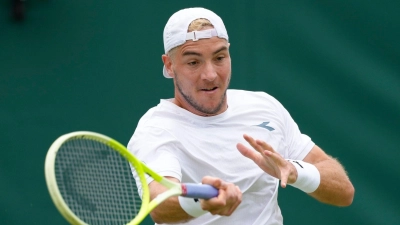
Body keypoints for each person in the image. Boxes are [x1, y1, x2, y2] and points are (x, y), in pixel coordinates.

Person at [127, 7, 354, 225]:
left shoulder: (264, 107)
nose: (210, 74)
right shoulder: (156, 129)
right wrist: (201, 203)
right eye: (193, 62)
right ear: (169, 65)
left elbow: (344, 192)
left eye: (219, 57)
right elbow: (159, 204)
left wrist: (294, 171)